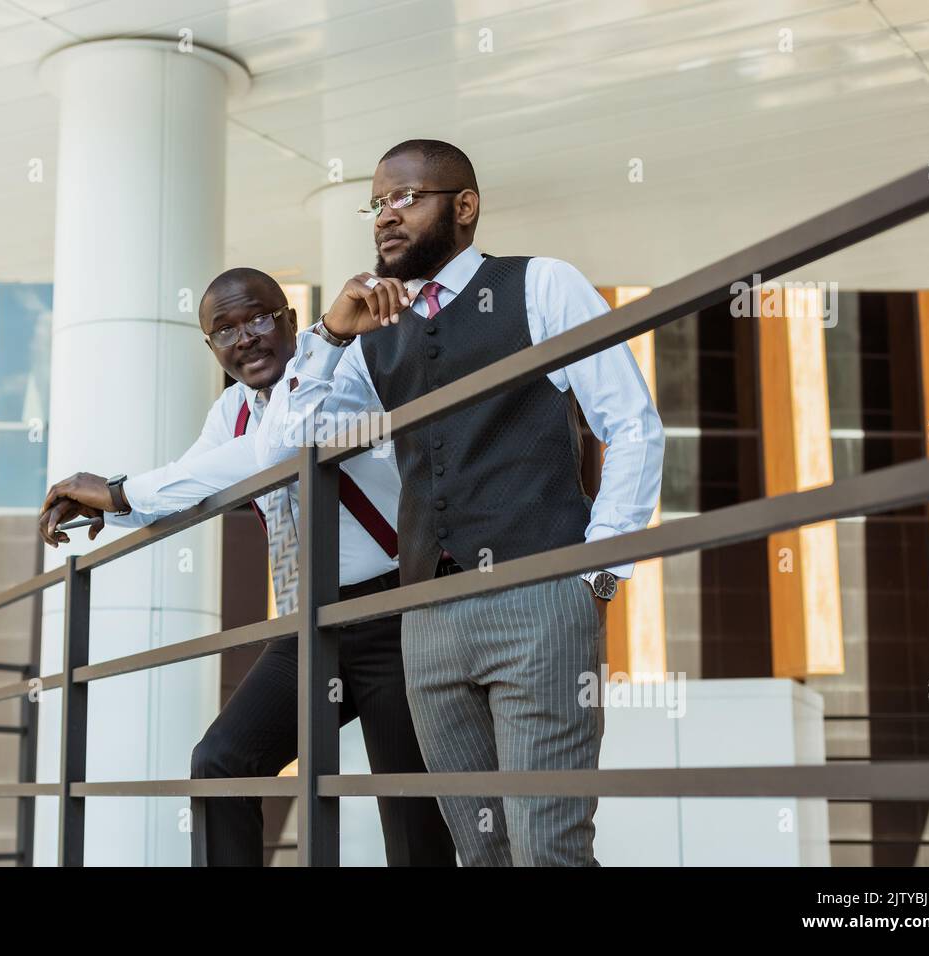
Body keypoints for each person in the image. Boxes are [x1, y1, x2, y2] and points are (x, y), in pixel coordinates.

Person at [255, 140, 665, 866]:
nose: (385, 216)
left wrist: (600, 573)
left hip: (538, 597)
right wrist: (327, 333)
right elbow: (290, 444)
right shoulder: (375, 337)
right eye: (376, 203)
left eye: (405, 197)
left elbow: (630, 424)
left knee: (549, 845)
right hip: (429, 618)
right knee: (478, 851)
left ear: (465, 207)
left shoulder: (540, 285)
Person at [39, 267, 455, 866]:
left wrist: (122, 491)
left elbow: (274, 451)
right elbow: (197, 481)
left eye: (259, 319)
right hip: (307, 625)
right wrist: (106, 505)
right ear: (211, 347)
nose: (246, 339)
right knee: (220, 763)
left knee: (411, 816)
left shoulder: (346, 368)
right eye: (225, 331)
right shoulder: (232, 409)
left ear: (289, 319)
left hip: (391, 611)